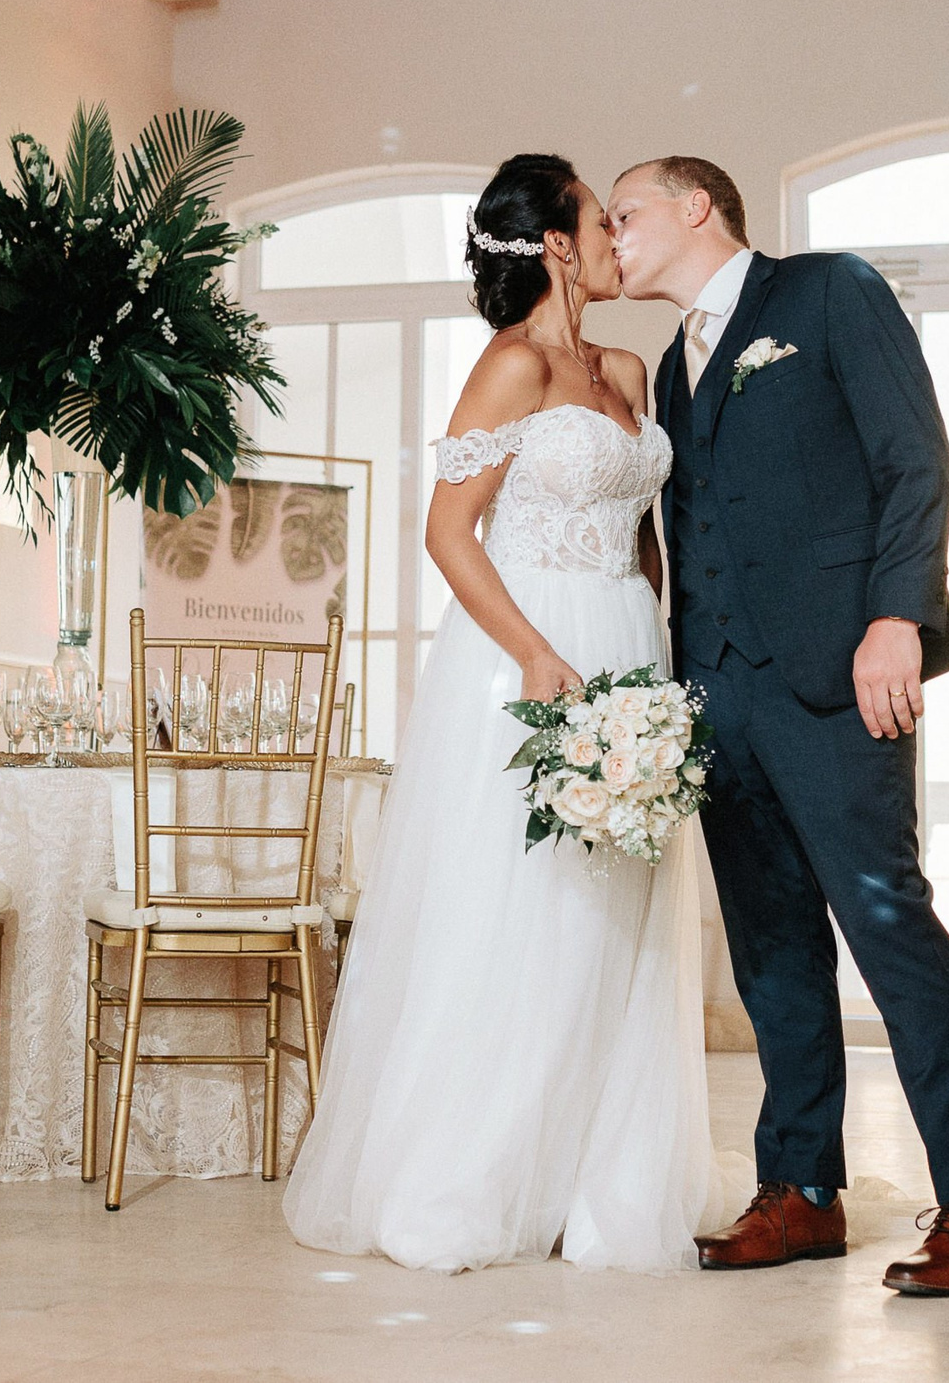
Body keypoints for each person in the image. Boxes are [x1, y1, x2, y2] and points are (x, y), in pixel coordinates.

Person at [282, 153, 731, 1273]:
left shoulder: (626, 365)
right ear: (555, 244)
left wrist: (658, 665)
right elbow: (447, 530)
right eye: (598, 215)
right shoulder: (509, 365)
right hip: (532, 657)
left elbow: (644, 532)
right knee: (529, 915)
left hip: (628, 649)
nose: (615, 236)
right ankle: (473, 1175)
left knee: (618, 925)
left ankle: (602, 1182)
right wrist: (536, 651)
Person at [606, 155, 949, 1297]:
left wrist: (896, 615)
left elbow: (913, 459)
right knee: (771, 946)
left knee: (889, 926)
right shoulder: (669, 371)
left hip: (842, 675)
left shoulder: (830, 291)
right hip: (719, 690)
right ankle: (800, 1190)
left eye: (626, 211)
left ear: (697, 207)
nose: (610, 232)